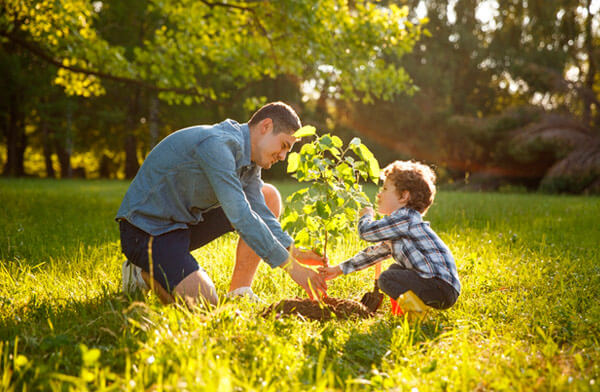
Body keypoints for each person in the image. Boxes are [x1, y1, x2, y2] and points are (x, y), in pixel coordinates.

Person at [116, 102, 327, 307]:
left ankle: (239, 292)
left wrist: (294, 251)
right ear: (266, 126)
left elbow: (260, 211)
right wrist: (293, 269)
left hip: (183, 224)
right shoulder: (218, 145)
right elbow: (242, 216)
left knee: (268, 196)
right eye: (283, 146)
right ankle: (141, 274)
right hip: (146, 231)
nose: (283, 156)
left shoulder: (251, 162)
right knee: (204, 303)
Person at [319, 160, 460, 312]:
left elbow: (366, 232)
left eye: (385, 189)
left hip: (439, 285)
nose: (379, 194)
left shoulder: (405, 218)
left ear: (403, 196)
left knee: (386, 278)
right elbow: (373, 254)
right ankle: (402, 312)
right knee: (395, 270)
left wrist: (366, 216)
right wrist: (338, 269)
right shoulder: (401, 226)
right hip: (441, 287)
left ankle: (416, 314)